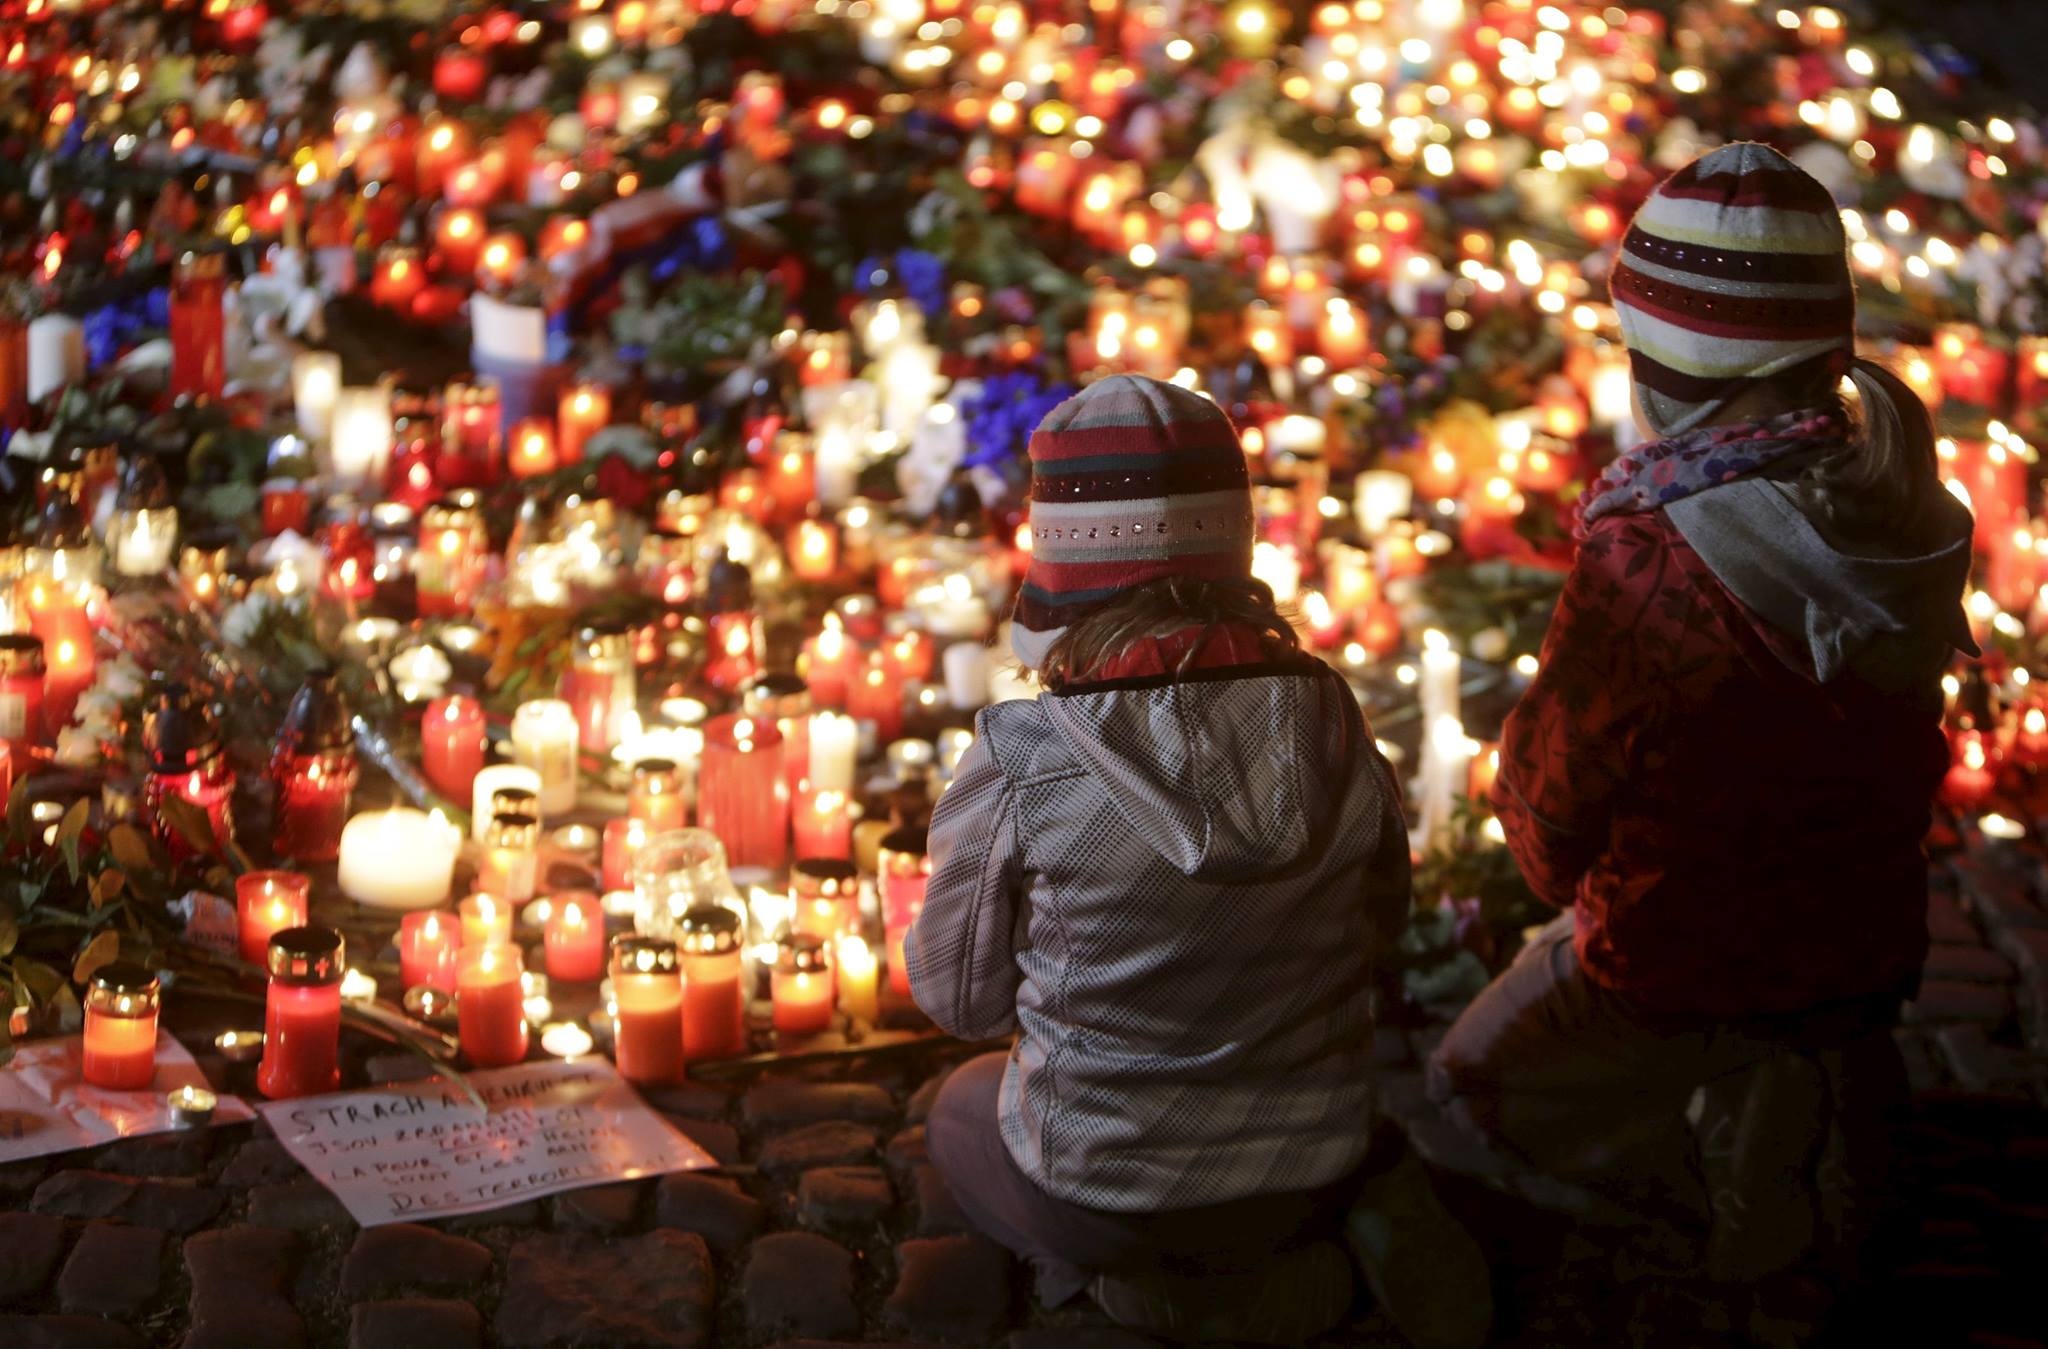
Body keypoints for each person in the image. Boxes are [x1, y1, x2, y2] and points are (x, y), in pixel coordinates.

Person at [1425, 143, 1977, 1327]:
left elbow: (1552, 782)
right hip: (1857, 942)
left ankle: (1676, 1217)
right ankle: (1796, 1169)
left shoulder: (1650, 553)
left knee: (1463, 1091)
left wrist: (1543, 871)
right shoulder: (1905, 502)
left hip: (1678, 951)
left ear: (1662, 366)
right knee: (1794, 1119)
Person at [907, 374, 1490, 1347]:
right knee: (1320, 1156)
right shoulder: (1331, 718)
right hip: (1318, 1158)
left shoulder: (1024, 756)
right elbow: (1379, 920)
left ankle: (1138, 1283)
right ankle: (1348, 1221)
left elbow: (957, 1000)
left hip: (1106, 1184)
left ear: (1058, 558)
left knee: (955, 1108)